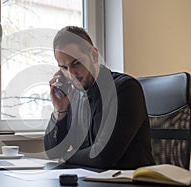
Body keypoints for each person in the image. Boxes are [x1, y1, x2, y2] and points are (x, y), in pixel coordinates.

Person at [44, 26, 155, 170]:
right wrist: (60, 110)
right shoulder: (75, 94)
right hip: (92, 182)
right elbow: (53, 152)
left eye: (76, 63)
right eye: (64, 68)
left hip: (130, 186)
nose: (71, 74)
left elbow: (103, 156)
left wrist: (66, 156)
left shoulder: (126, 89)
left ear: (94, 55)